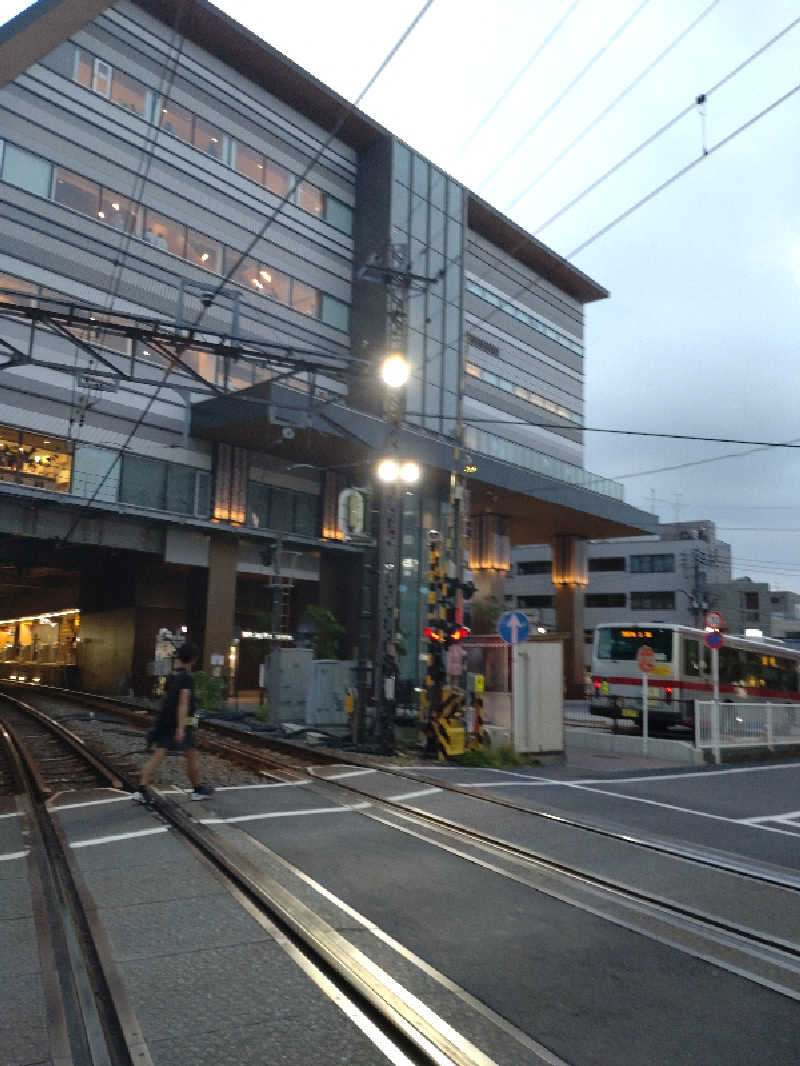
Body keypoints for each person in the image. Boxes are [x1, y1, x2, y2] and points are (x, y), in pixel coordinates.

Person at [132, 641, 214, 804]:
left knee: (158, 756)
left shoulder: (172, 676)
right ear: (194, 659)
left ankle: (141, 789)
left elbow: (167, 699)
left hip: (165, 722)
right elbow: (183, 702)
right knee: (191, 756)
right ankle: (197, 789)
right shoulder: (187, 678)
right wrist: (181, 729)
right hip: (180, 725)